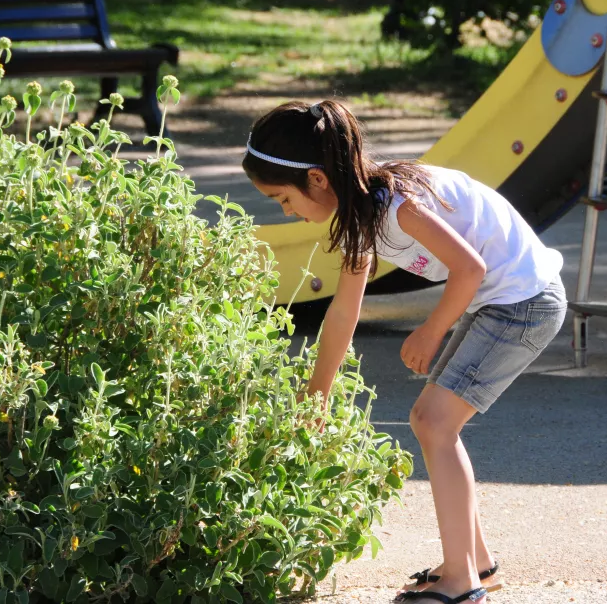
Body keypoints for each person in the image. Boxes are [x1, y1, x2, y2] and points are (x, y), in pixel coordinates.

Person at [242, 100, 567, 604]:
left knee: (435, 423)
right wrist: (317, 395)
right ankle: (476, 563)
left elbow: (471, 268)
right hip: (500, 301)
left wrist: (431, 330)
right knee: (431, 421)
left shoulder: (398, 205)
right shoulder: (359, 215)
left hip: (524, 301)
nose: (287, 211)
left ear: (317, 179)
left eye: (283, 198)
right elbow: (344, 311)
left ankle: (461, 582)